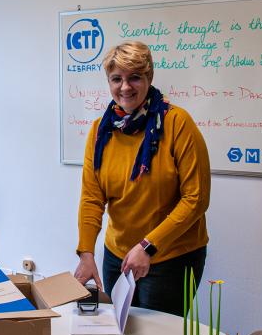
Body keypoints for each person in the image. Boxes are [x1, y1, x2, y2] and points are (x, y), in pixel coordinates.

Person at [73, 41, 210, 317]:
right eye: (116, 79)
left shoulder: (177, 123)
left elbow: (196, 199)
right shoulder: (101, 131)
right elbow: (92, 198)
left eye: (134, 77)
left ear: (149, 78)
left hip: (170, 257)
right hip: (117, 255)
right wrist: (86, 253)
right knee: (121, 333)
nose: (125, 87)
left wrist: (148, 246)